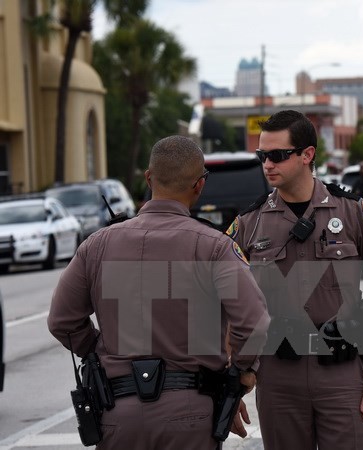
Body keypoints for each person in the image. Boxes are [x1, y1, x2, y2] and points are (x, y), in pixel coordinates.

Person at [48, 135, 270, 449]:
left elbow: (62, 321)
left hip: (116, 412)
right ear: (200, 185)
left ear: (149, 178)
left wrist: (100, 348)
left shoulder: (97, 245)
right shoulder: (214, 246)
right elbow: (254, 323)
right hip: (191, 412)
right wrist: (243, 374)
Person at [226, 110, 363, 450]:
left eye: (277, 155)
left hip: (343, 373)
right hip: (278, 376)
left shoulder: (351, 211)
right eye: (262, 156)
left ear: (307, 154)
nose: (267, 164)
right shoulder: (250, 222)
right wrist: (229, 379)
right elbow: (225, 303)